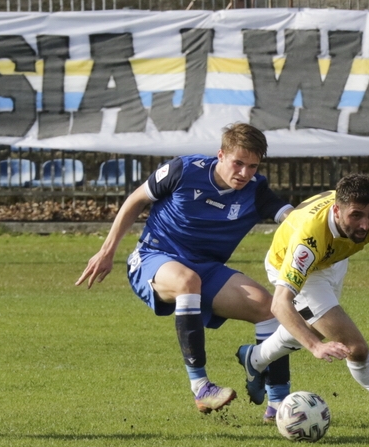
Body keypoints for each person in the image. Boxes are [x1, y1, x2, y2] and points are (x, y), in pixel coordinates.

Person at [76, 123, 293, 414]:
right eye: (238, 163)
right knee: (187, 281)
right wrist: (107, 251)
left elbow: (291, 219)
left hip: (208, 269)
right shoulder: (183, 170)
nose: (244, 173)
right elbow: (135, 200)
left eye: (252, 166)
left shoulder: (256, 191)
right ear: (221, 155)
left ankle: (279, 402)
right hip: (155, 257)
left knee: (268, 308)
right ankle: (201, 387)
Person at [238, 173, 369, 433]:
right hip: (291, 264)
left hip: (333, 260)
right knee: (355, 347)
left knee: (320, 324)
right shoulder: (308, 239)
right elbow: (279, 305)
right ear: (337, 210)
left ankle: (256, 358)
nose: (365, 225)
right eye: (356, 216)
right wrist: (315, 346)